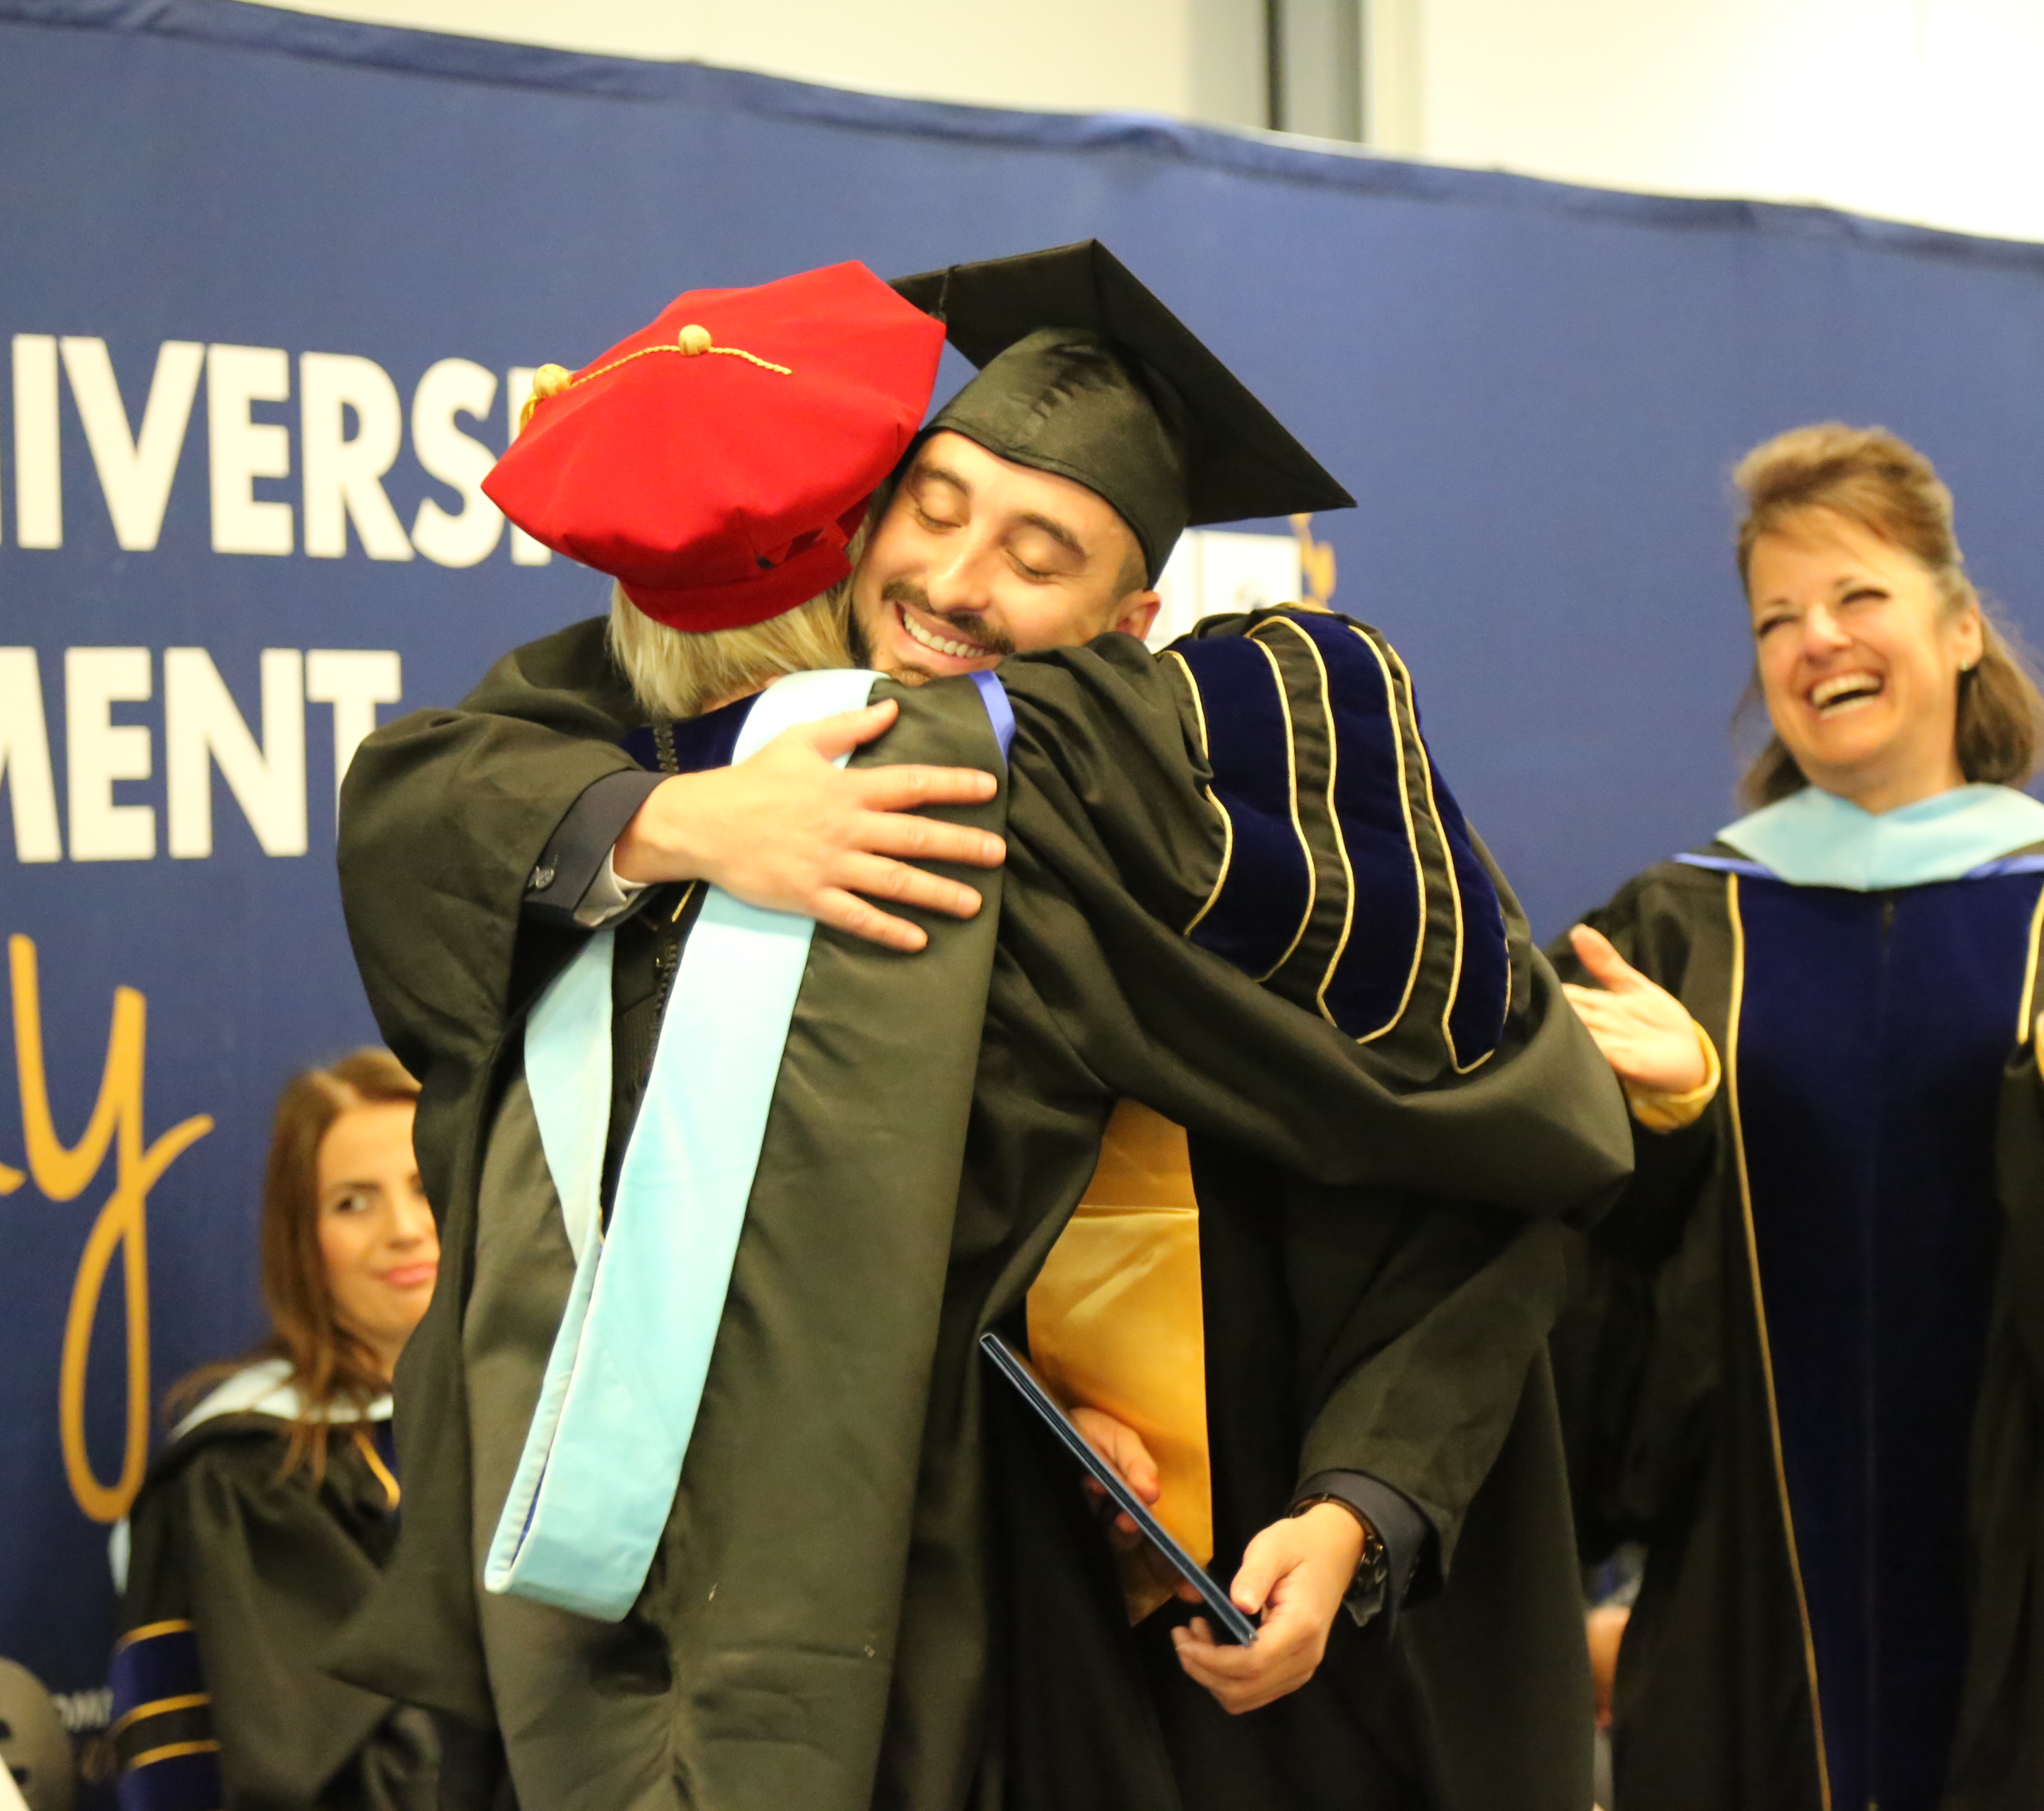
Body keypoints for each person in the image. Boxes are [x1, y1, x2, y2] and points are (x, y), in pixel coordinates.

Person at [326, 248, 1632, 1811]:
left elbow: (1485, 1198)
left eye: (1039, 550)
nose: (954, 581)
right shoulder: (715, 732)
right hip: (803, 1594)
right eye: (933, 508)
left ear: (1133, 612)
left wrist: (1359, 1504)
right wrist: (683, 821)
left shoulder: (1218, 823)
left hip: (1144, 1636)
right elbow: (428, 804)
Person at [1553, 422, 2044, 1811]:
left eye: (1861, 596)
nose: (1818, 640)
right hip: (1755, 1610)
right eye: (1778, 618)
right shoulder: (1675, 934)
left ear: (1963, 628)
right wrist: (1661, 1133)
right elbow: (1575, 1322)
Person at [110, 1049, 442, 1811]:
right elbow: (314, 1770)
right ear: (303, 1239)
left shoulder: (544, 1426)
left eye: (429, 1187)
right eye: (353, 1203)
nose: (405, 1229)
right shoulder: (250, 1474)